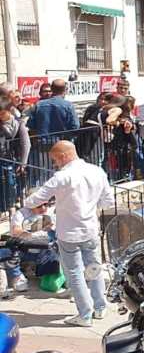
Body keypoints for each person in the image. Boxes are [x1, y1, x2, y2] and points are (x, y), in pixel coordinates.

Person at [14, 141, 112, 327]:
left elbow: (38, 197)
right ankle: (100, 306)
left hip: (69, 233)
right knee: (94, 267)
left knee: (74, 273)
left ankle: (85, 314)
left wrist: (26, 204)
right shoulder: (97, 171)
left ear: (64, 156)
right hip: (90, 228)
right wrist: (89, 209)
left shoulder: (62, 176)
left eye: (55, 160)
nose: (55, 164)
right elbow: (107, 201)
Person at [0, 100, 30, 212]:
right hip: (2, 158)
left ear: (8, 112)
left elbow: (26, 144)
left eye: (2, 113)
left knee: (11, 183)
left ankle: (11, 205)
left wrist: (23, 162)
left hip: (13, 158)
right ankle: (5, 207)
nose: (1, 116)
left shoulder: (18, 123)